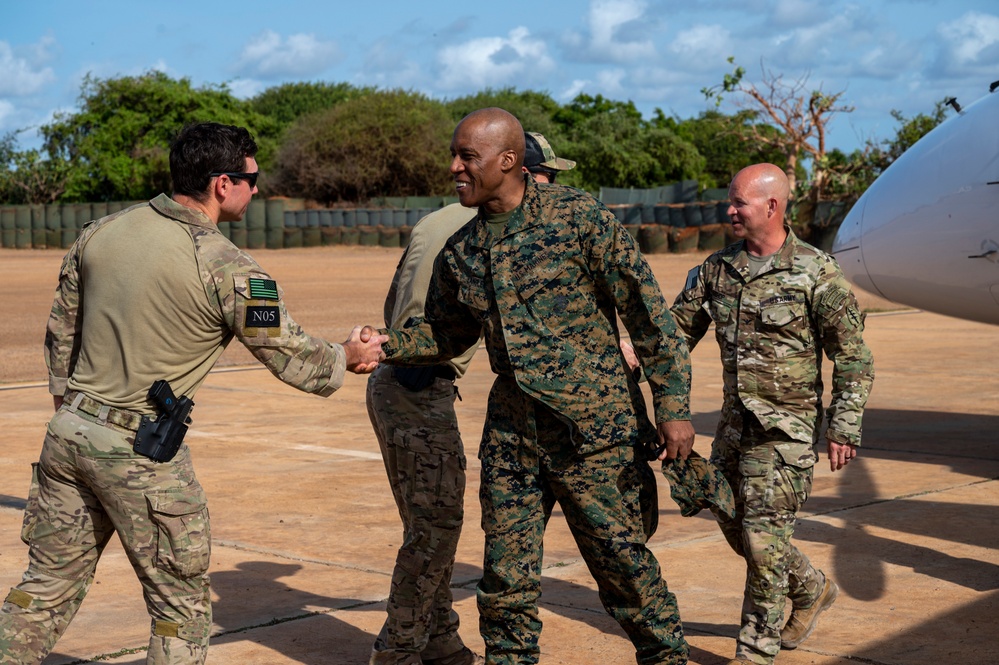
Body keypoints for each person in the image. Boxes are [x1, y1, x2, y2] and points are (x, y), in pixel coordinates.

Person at [0, 122, 386, 665]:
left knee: (42, 591)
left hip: (69, 434)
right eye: (253, 178)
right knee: (180, 611)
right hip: (141, 452)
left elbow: (61, 336)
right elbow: (297, 361)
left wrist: (75, 413)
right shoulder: (229, 266)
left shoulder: (100, 232)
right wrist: (349, 352)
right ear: (222, 184)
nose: (258, 190)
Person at [364, 108, 695, 665]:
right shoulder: (462, 252)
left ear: (509, 161)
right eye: (455, 155)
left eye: (467, 157)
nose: (454, 168)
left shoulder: (578, 220)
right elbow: (445, 332)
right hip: (514, 438)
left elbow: (648, 316)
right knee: (506, 586)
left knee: (625, 572)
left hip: (592, 433)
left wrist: (674, 407)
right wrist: (384, 345)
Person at [363, 131, 583, 665]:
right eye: (547, 178)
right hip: (421, 386)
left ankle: (439, 640)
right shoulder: (481, 229)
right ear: (520, 172)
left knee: (428, 524)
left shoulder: (435, 220)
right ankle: (396, 651)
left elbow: (396, 300)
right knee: (435, 532)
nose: (548, 191)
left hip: (395, 381)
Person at [669, 163, 874, 665]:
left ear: (772, 207)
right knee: (738, 527)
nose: (730, 209)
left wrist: (844, 426)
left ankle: (754, 652)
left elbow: (852, 356)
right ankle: (810, 588)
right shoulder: (717, 270)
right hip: (733, 430)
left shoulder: (816, 272)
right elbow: (674, 336)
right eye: (730, 201)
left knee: (762, 545)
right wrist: (628, 353)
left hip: (787, 434)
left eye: (739, 202)